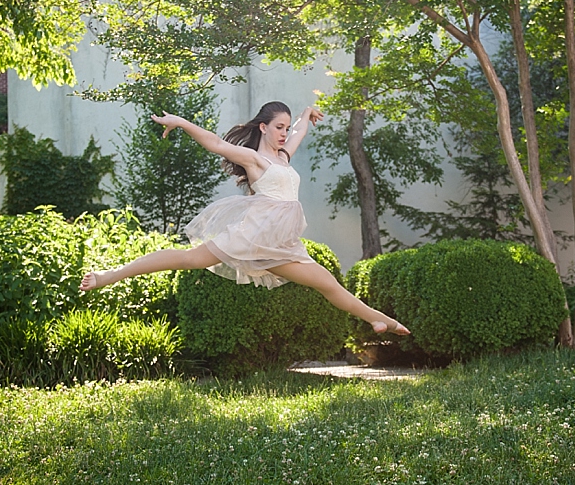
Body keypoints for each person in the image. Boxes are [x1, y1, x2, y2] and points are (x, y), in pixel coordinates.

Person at [80, 101, 411, 336]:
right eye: (278, 128)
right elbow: (215, 143)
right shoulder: (254, 159)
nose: (284, 134)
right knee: (188, 258)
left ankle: (378, 321)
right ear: (264, 127)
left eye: (285, 127)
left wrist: (305, 115)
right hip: (254, 235)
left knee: (325, 281)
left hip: (280, 243)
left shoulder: (282, 157)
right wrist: (181, 122)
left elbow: (297, 133)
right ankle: (109, 276)